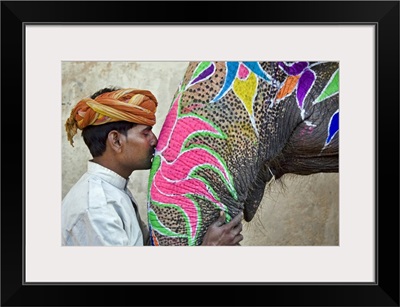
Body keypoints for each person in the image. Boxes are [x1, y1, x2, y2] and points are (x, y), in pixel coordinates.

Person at [62, 87, 244, 246]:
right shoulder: (97, 208)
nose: (154, 140)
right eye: (146, 133)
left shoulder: (114, 192)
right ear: (116, 140)